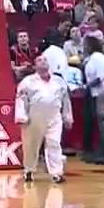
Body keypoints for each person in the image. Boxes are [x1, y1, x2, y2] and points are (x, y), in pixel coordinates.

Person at [15, 54, 73, 184]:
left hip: (54, 117)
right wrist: (21, 116)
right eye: (39, 60)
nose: (43, 62)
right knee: (31, 146)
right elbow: (20, 99)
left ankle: (56, 173)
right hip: (33, 118)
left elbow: (66, 100)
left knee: (54, 143)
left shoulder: (59, 81)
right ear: (35, 66)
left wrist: (67, 116)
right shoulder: (27, 82)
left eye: (45, 60)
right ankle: (28, 170)